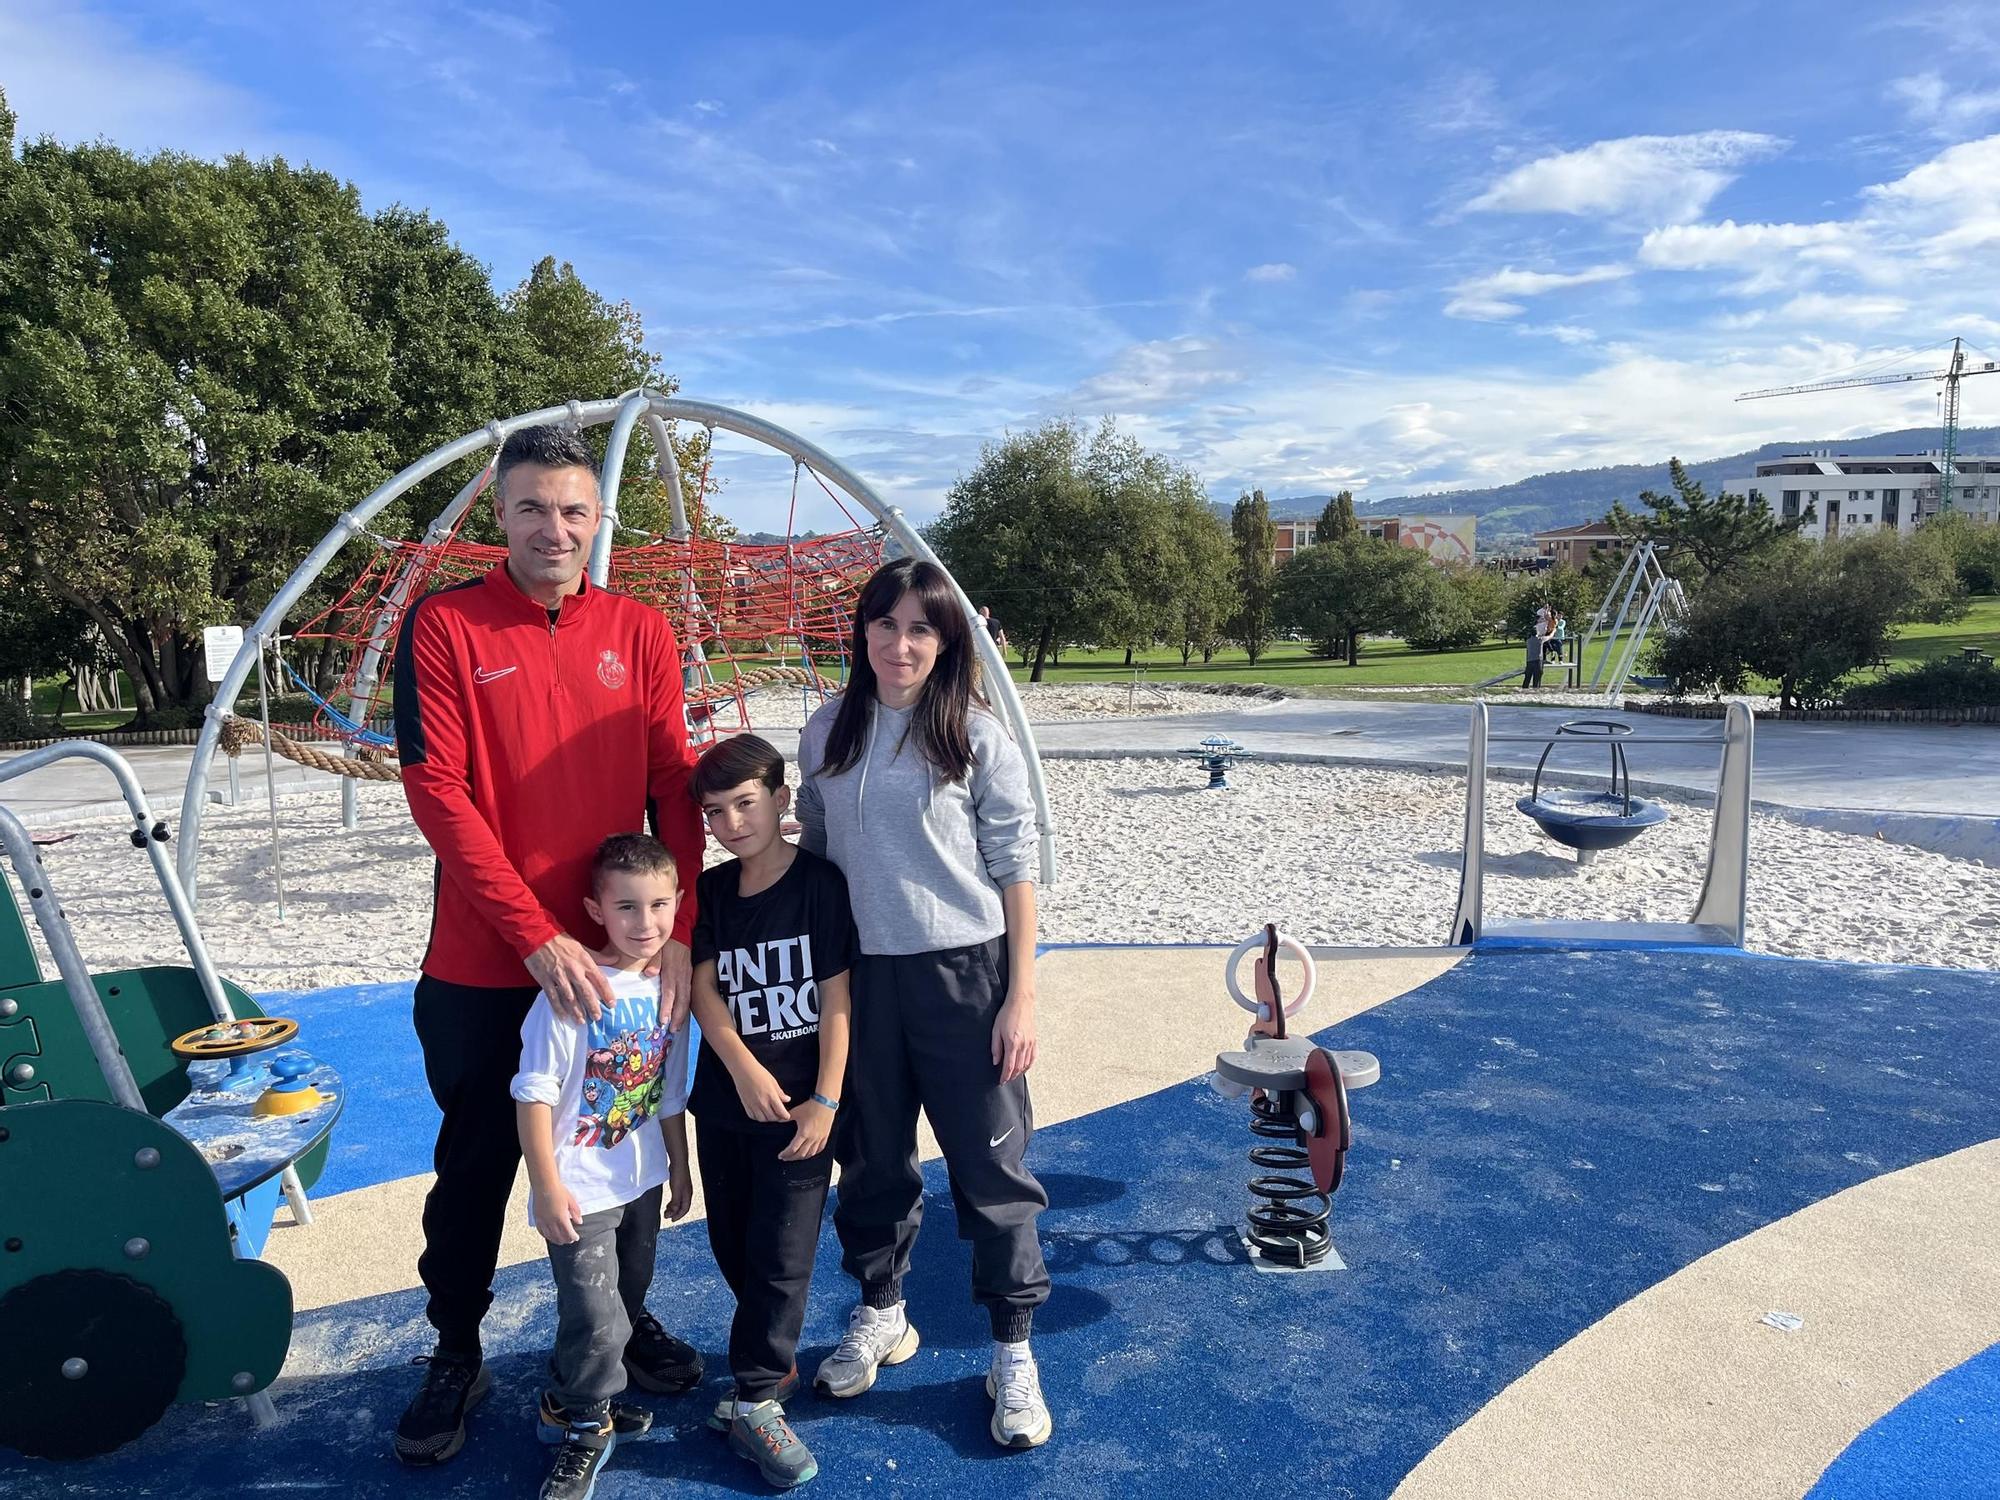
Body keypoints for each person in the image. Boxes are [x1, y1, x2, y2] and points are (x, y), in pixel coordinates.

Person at [391, 423, 706, 1465]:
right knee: (479, 1163)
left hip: (615, 967)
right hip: (488, 966)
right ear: (500, 512)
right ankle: (455, 1348)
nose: (553, 528)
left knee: (615, 1151)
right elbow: (435, 790)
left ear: (598, 517)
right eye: (531, 507)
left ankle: (612, 1331)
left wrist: (678, 937)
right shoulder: (445, 625)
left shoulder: (640, 629)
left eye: (573, 510)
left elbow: (674, 784)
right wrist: (530, 934)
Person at [797, 558, 1053, 1450]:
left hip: (964, 977)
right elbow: (819, 851)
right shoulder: (828, 728)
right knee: (870, 1163)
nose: (899, 644)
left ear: (945, 641)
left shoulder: (974, 734)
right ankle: (882, 1309)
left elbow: (1018, 868)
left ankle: (1012, 1352)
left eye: (921, 628)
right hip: (863, 980)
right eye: (885, 624)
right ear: (861, 631)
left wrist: (1020, 997)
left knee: (991, 1171)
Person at [688, 734, 855, 1490]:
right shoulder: (714, 895)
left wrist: (825, 1099)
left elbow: (836, 1000)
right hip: (726, 1105)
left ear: (781, 800)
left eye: (744, 804)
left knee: (784, 1260)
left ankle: (754, 1395)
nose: (731, 824)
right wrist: (742, 1066)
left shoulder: (820, 884)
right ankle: (773, 1368)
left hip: (801, 1115)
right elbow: (703, 992)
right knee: (734, 1246)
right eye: (715, 813)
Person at [511, 834, 694, 1500]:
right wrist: (546, 1185)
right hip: (581, 1190)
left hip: (640, 1182)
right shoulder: (573, 990)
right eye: (627, 908)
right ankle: (586, 1425)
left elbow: (670, 1088)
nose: (645, 924)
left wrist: (679, 1165)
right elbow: (533, 1092)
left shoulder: (672, 987)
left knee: (626, 1298)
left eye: (659, 906)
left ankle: (567, 1401)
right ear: (595, 909)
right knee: (595, 1314)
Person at [1522, 618, 1548, 690]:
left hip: (1529, 662)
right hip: (1537, 662)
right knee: (1536, 681)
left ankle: (1524, 692)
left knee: (1527, 679)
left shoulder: (1528, 641)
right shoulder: (1540, 640)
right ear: (1537, 633)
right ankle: (1535, 692)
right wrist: (1553, 631)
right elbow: (1549, 637)